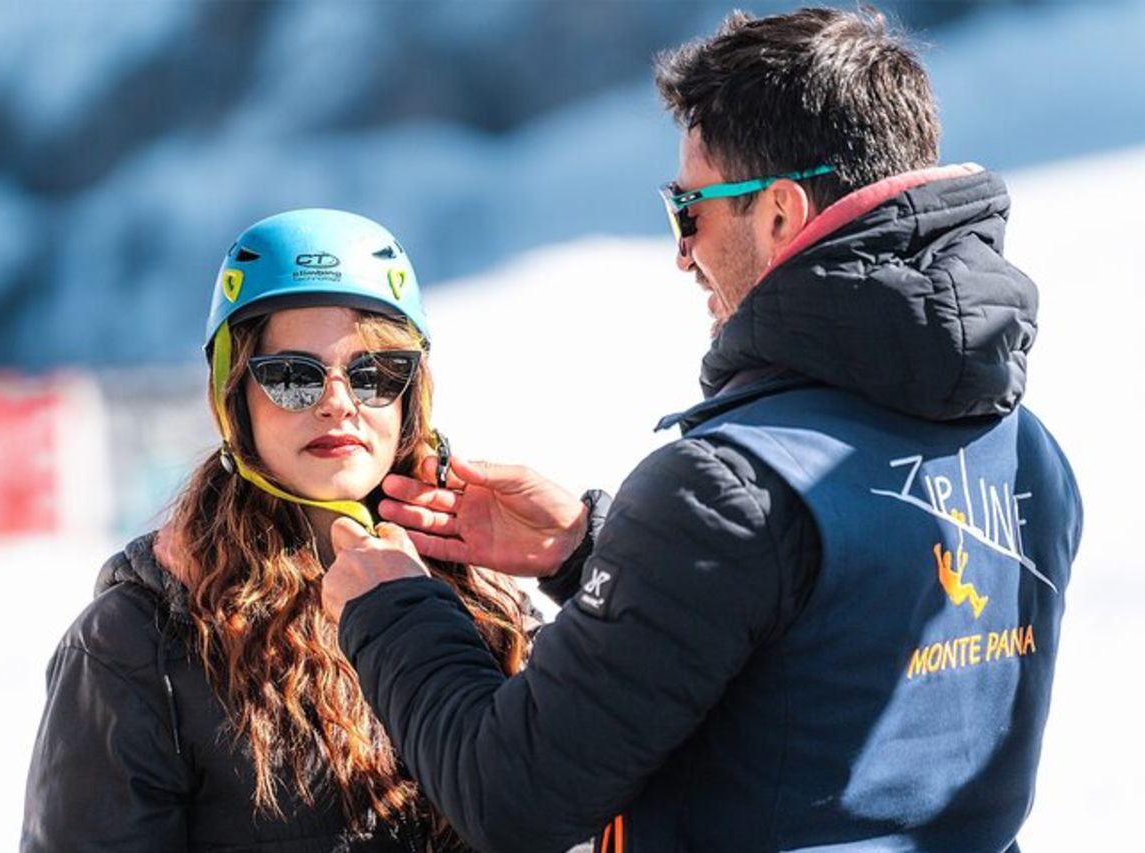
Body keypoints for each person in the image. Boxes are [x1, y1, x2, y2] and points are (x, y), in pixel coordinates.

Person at [321, 7, 1083, 853]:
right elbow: (831, 658)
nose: (682, 253)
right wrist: (595, 544)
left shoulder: (726, 486)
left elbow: (510, 794)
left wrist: (392, 611)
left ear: (782, 215)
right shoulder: (1027, 449)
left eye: (690, 209)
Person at [21, 209, 532, 851]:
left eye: (376, 375)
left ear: (411, 398)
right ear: (236, 397)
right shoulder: (137, 641)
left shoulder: (487, 598)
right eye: (293, 376)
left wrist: (580, 558)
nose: (339, 402)